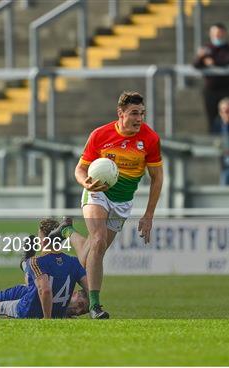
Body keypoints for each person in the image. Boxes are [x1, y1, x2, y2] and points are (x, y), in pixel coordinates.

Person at [50, 91, 163, 319]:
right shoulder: (100, 135)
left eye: (142, 113)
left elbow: (157, 178)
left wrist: (149, 214)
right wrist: (86, 183)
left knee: (92, 252)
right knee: (98, 240)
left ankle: (67, 231)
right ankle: (95, 306)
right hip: (97, 194)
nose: (139, 118)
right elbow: (80, 169)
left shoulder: (150, 139)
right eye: (134, 113)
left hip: (123, 203)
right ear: (120, 113)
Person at [193, 23, 229, 132]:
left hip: (227, 89)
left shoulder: (228, 48)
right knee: (212, 119)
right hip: (211, 90)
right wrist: (200, 57)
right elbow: (196, 64)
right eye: (215, 33)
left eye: (219, 33)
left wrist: (213, 62)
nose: (217, 35)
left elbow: (227, 61)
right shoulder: (206, 48)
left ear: (224, 33)